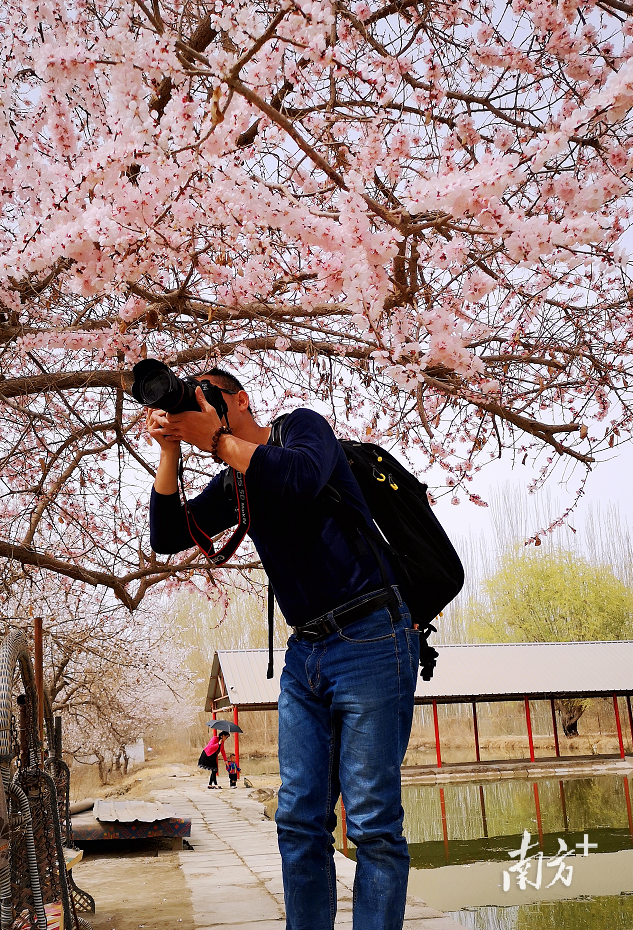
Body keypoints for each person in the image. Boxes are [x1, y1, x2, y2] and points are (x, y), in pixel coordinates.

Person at [147, 367, 420, 930]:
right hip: (306, 656)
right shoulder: (236, 484)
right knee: (297, 818)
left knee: (370, 822)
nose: (200, 407)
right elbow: (169, 536)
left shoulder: (301, 430)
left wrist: (218, 441)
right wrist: (172, 450)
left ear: (242, 400)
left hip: (371, 636)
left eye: (209, 398)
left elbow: (297, 479)